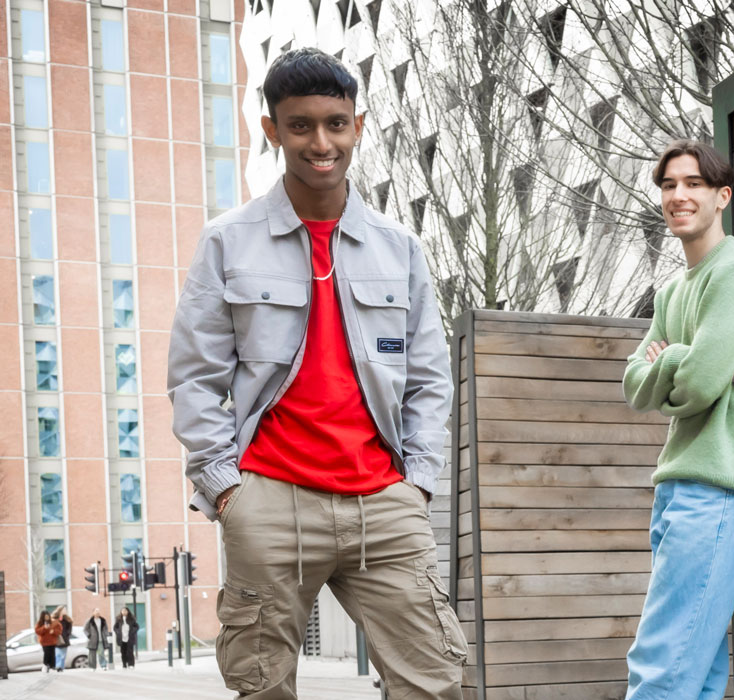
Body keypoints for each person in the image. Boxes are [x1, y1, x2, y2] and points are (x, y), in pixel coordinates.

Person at [167, 47, 462, 699]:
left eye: (335, 123)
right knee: (263, 686)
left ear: (358, 123)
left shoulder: (399, 249)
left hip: (384, 501)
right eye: (299, 125)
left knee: (435, 681)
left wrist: (416, 481)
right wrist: (225, 489)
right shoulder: (227, 241)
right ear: (271, 130)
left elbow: (430, 379)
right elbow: (193, 375)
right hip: (268, 497)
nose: (319, 142)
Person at [619, 139, 734, 700]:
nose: (678, 195)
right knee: (701, 672)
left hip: (723, 489)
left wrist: (668, 359)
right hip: (680, 487)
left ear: (722, 197)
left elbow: (698, 383)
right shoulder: (673, 290)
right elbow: (634, 386)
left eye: (692, 184)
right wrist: (684, 360)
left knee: (663, 664)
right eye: (668, 186)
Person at [53, 606, 73, 671]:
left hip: (65, 640)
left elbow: (69, 630)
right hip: (56, 639)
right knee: (58, 654)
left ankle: (61, 667)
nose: (65, 611)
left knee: (63, 655)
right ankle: (58, 666)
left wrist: (67, 635)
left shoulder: (68, 620)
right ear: (60, 610)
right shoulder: (54, 619)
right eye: (64, 610)